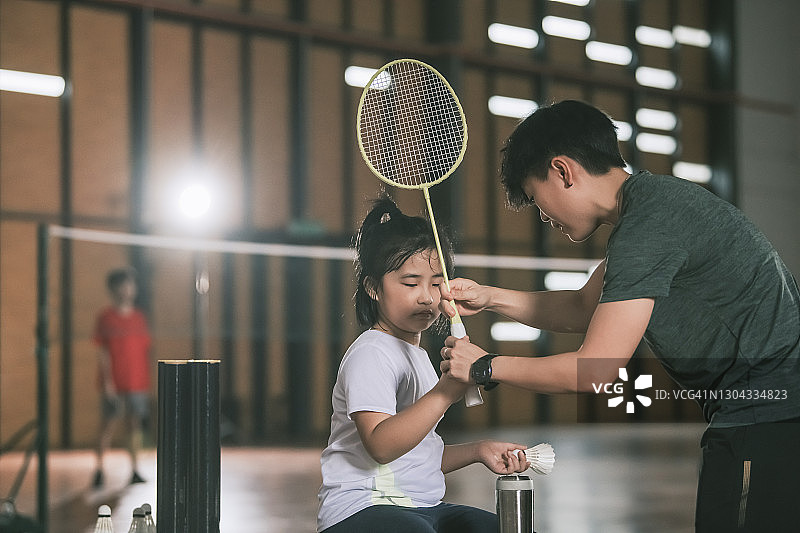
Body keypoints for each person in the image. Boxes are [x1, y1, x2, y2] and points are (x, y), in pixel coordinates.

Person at [438, 99, 800, 532]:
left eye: (537, 199)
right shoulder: (653, 206)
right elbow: (581, 309)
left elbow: (596, 371)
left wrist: (484, 366)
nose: (545, 217)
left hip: (770, 417)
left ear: (563, 171)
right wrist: (488, 297)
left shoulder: (648, 227)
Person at [317, 196, 531, 533]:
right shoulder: (371, 353)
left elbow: (418, 455)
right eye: (410, 283)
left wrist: (478, 450)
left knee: (503, 528)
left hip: (423, 508)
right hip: (362, 507)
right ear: (373, 288)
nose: (427, 297)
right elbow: (382, 445)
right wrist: (446, 392)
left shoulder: (417, 356)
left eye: (435, 283)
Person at [92, 267, 152, 488]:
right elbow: (102, 351)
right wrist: (108, 382)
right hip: (114, 383)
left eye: (130, 284)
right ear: (113, 289)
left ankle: (135, 469)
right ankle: (98, 470)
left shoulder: (139, 317)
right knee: (107, 425)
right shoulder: (106, 317)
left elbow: (144, 350)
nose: (127, 289)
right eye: (123, 284)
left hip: (137, 382)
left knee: (134, 425)